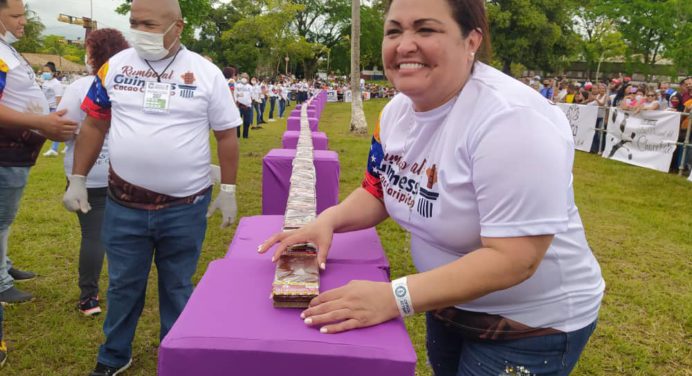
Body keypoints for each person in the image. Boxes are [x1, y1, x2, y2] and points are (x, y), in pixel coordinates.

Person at [259, 0, 604, 375]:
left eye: (425, 29)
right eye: (394, 31)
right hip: (445, 304)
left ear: (471, 40)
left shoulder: (513, 122)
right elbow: (379, 189)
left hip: (530, 328)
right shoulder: (396, 111)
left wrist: (395, 296)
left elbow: (515, 258)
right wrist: (328, 220)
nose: (404, 45)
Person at [62, 0, 242, 374]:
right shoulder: (115, 67)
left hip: (185, 206)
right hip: (124, 204)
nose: (139, 31)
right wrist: (78, 177)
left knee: (177, 285)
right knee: (123, 285)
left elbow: (226, 134)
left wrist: (228, 189)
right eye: (134, 23)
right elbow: (95, 123)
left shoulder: (206, 74)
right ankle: (114, 354)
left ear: (178, 26)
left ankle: (175, 354)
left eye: (149, 24)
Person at [0, 0, 78, 305]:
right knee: (1, 219)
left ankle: (4, 265)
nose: (23, 22)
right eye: (16, 16)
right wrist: (40, 122)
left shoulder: (8, 49)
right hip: (6, 149)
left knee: (6, 217)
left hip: (17, 150)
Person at [58, 28, 129, 316]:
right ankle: (123, 290)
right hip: (123, 170)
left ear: (92, 53)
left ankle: (89, 298)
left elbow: (63, 130)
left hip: (87, 171)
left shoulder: (80, 86)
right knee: (123, 234)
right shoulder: (128, 82)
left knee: (93, 236)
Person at [41, 61, 66, 156]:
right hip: (46, 108)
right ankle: (67, 145)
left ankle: (54, 149)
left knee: (55, 130)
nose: (45, 73)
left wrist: (58, 112)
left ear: (53, 72)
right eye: (44, 71)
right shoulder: (46, 82)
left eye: (47, 71)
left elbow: (58, 98)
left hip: (54, 109)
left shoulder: (56, 84)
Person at [235, 72, 253, 139]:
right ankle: (237, 135)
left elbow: (252, 96)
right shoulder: (237, 86)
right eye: (243, 77)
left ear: (248, 79)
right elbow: (234, 94)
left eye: (245, 77)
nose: (244, 79)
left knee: (247, 122)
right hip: (239, 106)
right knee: (238, 122)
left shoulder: (250, 87)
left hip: (247, 106)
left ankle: (245, 136)